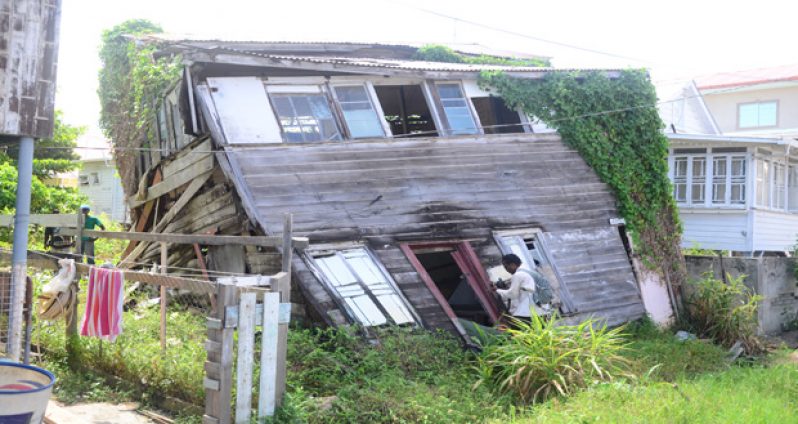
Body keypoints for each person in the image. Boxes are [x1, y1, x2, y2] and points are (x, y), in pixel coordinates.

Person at [494, 254, 537, 322]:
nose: (506, 270)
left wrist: (497, 290)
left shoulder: (518, 275)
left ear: (513, 264)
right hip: (538, 308)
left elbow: (513, 294)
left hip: (529, 311)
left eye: (506, 267)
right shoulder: (527, 271)